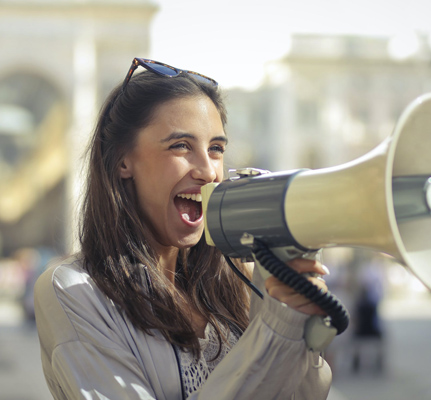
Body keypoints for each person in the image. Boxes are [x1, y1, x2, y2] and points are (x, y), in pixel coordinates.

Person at [33, 58, 332, 399]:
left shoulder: (241, 279)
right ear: (123, 161)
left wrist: (296, 323)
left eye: (216, 149)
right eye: (180, 146)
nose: (208, 171)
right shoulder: (74, 290)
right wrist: (275, 331)